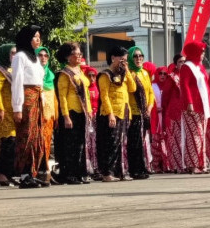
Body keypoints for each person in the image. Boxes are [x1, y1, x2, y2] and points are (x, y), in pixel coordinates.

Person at [11, 25, 46, 189]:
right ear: (27, 38)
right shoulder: (20, 56)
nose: (38, 39)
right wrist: (17, 107)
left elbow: (40, 83)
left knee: (37, 137)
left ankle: (33, 172)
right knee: (26, 136)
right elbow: (17, 82)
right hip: (26, 99)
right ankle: (24, 175)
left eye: (39, 36)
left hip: (37, 98)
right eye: (35, 37)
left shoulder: (36, 58)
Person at [55, 42, 92, 185]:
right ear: (68, 57)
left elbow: (86, 94)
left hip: (83, 112)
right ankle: (70, 174)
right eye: (77, 54)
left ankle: (80, 173)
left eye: (80, 54)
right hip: (71, 112)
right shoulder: (65, 73)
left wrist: (88, 111)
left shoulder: (80, 71)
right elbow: (62, 96)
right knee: (71, 144)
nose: (79, 56)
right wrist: (65, 116)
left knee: (81, 144)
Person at [96, 46, 136, 182]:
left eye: (125, 60)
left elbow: (132, 88)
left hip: (124, 111)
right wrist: (110, 114)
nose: (123, 62)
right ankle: (107, 173)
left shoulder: (123, 74)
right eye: (121, 59)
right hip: (110, 113)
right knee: (110, 143)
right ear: (113, 58)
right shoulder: (105, 75)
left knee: (121, 143)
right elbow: (104, 96)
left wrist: (127, 71)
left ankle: (120, 172)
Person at [179, 41, 210, 174]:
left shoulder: (200, 67)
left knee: (201, 136)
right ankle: (192, 164)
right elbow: (185, 86)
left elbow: (206, 86)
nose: (203, 55)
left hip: (203, 106)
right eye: (201, 52)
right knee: (193, 136)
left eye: (203, 52)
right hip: (192, 107)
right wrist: (189, 103)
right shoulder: (187, 67)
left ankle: (201, 163)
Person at [0, 44, 17, 185]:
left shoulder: (13, 70)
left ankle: (8, 173)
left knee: (12, 142)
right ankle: (1, 174)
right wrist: (0, 108)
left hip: (13, 110)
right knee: (7, 141)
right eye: (12, 53)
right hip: (2, 111)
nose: (14, 56)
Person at [127, 46, 155, 179]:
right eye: (135, 56)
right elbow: (131, 90)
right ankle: (135, 169)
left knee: (143, 142)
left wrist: (149, 108)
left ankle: (142, 168)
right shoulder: (129, 74)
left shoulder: (144, 73)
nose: (138, 59)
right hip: (134, 112)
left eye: (141, 56)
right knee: (135, 142)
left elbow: (150, 92)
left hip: (144, 112)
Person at [36, 46, 58, 184]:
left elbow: (54, 97)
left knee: (47, 145)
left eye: (46, 55)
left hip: (49, 116)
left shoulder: (50, 75)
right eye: (40, 55)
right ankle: (40, 172)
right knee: (39, 144)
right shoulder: (32, 74)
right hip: (37, 115)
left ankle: (46, 173)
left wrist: (56, 115)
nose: (43, 58)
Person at [163, 54, 186, 173]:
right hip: (174, 111)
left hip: (187, 111)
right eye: (180, 61)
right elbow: (165, 96)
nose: (183, 63)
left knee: (186, 139)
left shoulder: (189, 76)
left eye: (184, 61)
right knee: (176, 139)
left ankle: (186, 164)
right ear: (176, 64)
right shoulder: (171, 77)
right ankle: (177, 165)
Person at [150, 65, 170, 173]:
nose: (162, 76)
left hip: (166, 117)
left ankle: (166, 165)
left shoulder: (168, 85)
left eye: (165, 74)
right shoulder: (152, 85)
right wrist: (155, 109)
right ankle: (156, 165)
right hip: (156, 117)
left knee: (166, 141)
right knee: (156, 142)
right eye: (160, 73)